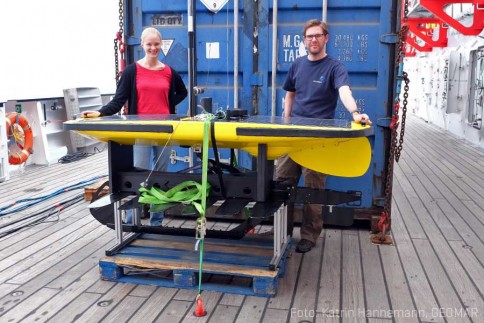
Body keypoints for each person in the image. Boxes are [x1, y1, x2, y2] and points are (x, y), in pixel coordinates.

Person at [276, 19, 371, 253]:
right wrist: (286, 120)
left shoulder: (335, 67)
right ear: (304, 40)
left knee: (313, 190)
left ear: (326, 38)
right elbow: (290, 94)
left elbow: (344, 92)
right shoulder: (297, 65)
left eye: (318, 35)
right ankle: (281, 230)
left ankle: (309, 235)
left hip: (318, 139)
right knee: (281, 184)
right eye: (309, 36)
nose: (313, 40)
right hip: (294, 136)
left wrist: (355, 113)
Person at [82, 27, 188, 226]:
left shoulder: (169, 72)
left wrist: (168, 105)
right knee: (138, 176)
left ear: (161, 45)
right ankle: (132, 221)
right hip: (140, 131)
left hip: (165, 130)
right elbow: (119, 100)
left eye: (157, 44)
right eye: (149, 44)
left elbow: (182, 92)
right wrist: (101, 112)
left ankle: (157, 221)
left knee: (160, 178)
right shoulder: (132, 71)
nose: (153, 48)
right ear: (142, 45)